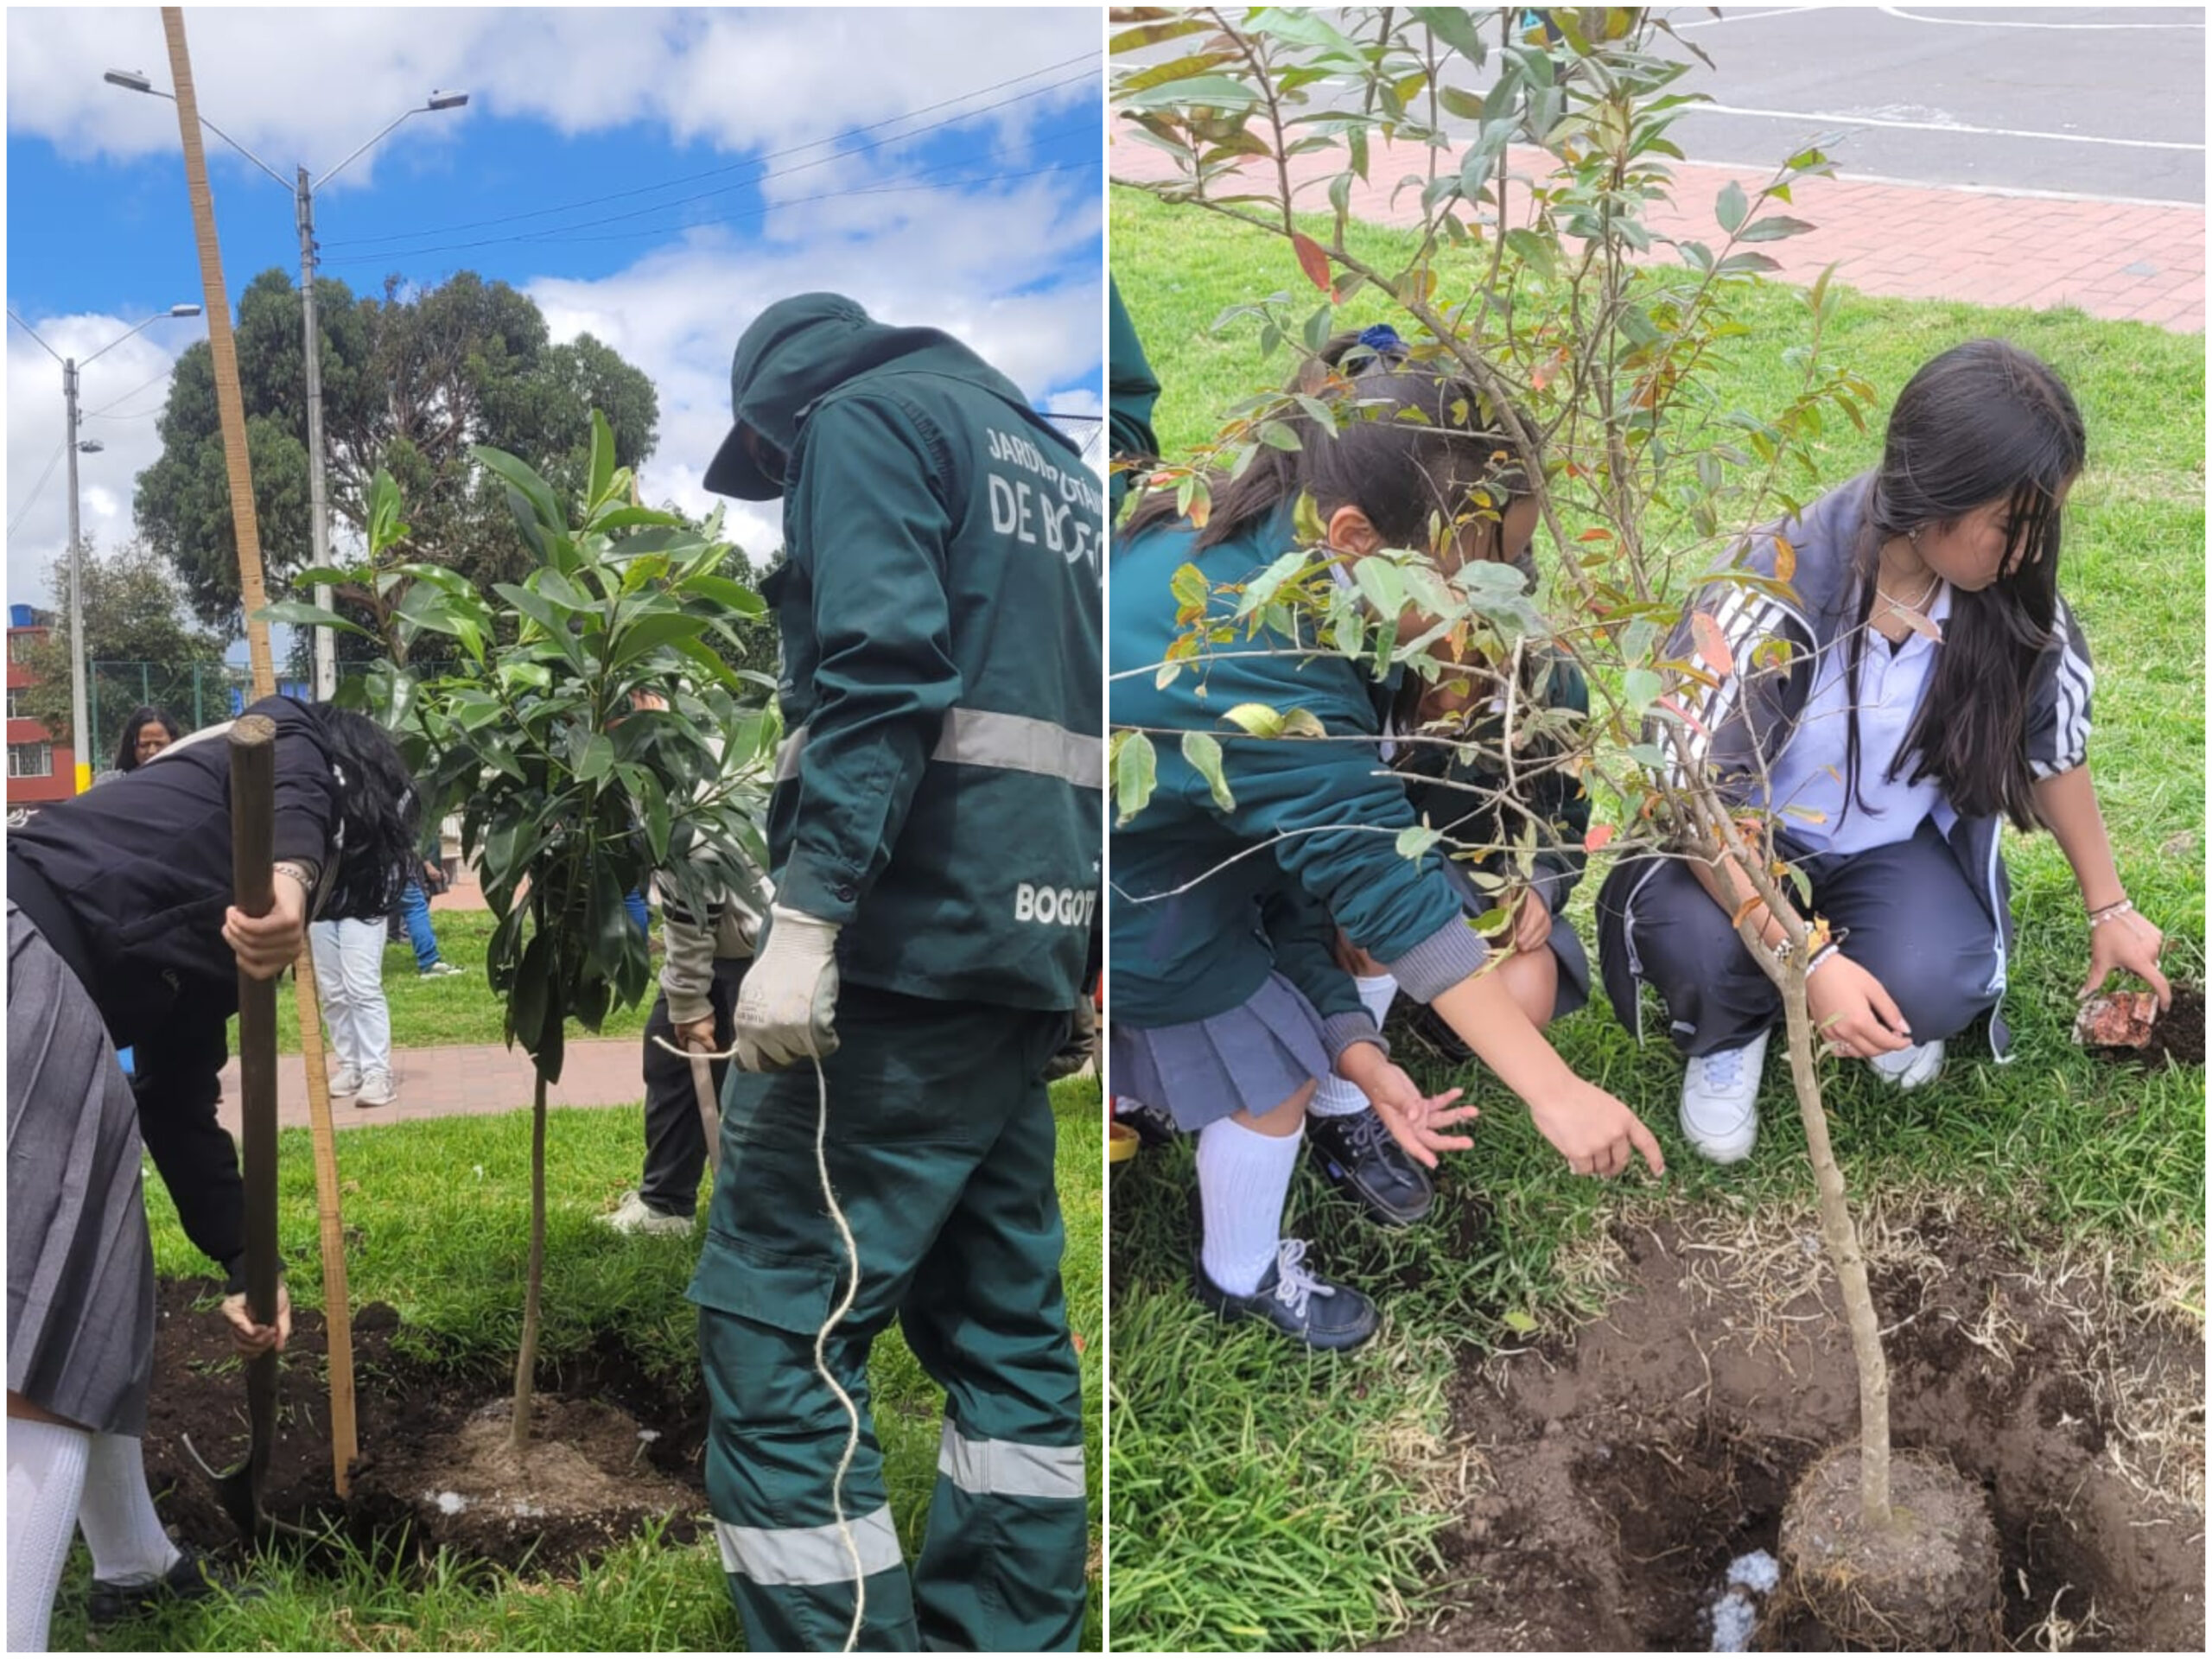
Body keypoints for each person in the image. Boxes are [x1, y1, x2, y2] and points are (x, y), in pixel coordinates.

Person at [1109, 326, 1663, 1351]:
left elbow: (1330, 875)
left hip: (1200, 857)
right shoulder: (1256, 652)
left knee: (1315, 1006)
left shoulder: (1273, 525)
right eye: (1480, 566)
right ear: (1361, 537)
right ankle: (1238, 1274)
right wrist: (1553, 1091)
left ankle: (1300, 1092)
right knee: (1269, 1066)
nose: (1504, 593)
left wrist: (1359, 1052)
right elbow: (1372, 883)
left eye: (1519, 557)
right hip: (1140, 902)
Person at [691, 292, 1099, 1651]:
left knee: (779, 1321)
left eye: (773, 472)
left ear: (781, 419)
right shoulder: (1052, 462)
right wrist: (1073, 957)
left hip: (899, 956)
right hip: (1015, 952)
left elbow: (877, 678)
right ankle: (1012, 1627)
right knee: (1003, 1324)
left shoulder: (861, 423)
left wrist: (806, 923)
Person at [1596, 338, 2170, 1163]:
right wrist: (1812, 955)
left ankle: (1875, 990)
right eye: (2012, 525)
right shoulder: (1775, 584)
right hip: (1736, 852)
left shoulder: (2006, 599)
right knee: (1697, 945)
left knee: (1940, 978)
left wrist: (2109, 908)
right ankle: (1732, 1031)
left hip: (1882, 851)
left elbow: (2054, 748)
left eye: (2043, 526)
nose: (2031, 551)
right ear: (1937, 497)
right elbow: (1695, 799)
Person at [7, 696, 418, 1650]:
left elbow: (176, 1103)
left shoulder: (173, 901)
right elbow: (286, 749)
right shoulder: (290, 750)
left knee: (93, 1289)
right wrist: (290, 876)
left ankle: (135, 1566)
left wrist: (245, 1260)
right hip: (23, 954)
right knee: (45, 1338)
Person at [601, 845, 767, 1236]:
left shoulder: (686, 792)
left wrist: (689, 997)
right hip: (736, 939)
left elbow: (695, 868)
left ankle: (761, 1222)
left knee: (766, 1087)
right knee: (671, 1057)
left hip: (755, 946)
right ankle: (667, 1204)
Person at [110, 706, 182, 775]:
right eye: (144, 745)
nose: (152, 751)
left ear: (173, 742)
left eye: (159, 744)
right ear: (132, 746)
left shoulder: (188, 780)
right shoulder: (113, 782)